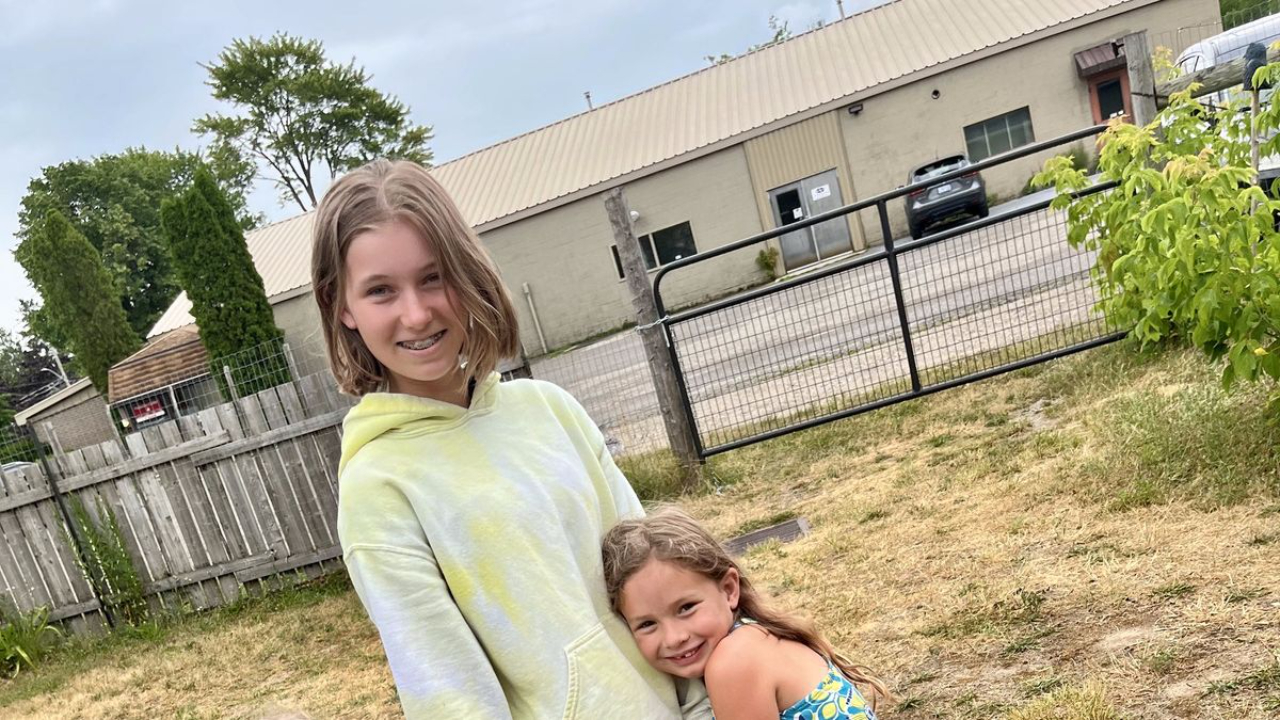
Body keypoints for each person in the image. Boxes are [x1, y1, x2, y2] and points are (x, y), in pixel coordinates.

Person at [311, 158, 711, 719]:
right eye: (381, 291)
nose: (417, 314)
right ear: (340, 306)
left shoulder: (550, 409)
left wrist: (711, 703)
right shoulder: (377, 489)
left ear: (467, 272)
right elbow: (450, 696)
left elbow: (660, 579)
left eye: (433, 277)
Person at [602, 507, 891, 720]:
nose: (674, 637)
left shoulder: (734, 662)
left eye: (686, 608)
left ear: (729, 589)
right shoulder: (755, 634)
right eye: (647, 624)